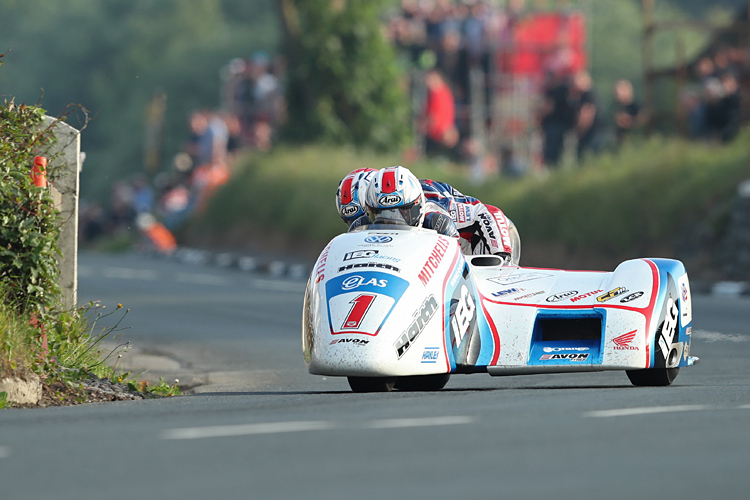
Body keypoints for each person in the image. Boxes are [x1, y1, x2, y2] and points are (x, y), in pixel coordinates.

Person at [336, 166, 520, 265]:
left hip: (478, 245)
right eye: (374, 217)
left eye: (364, 217)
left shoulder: (428, 202)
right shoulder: (373, 215)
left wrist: (501, 262)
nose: (371, 224)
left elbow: (488, 213)